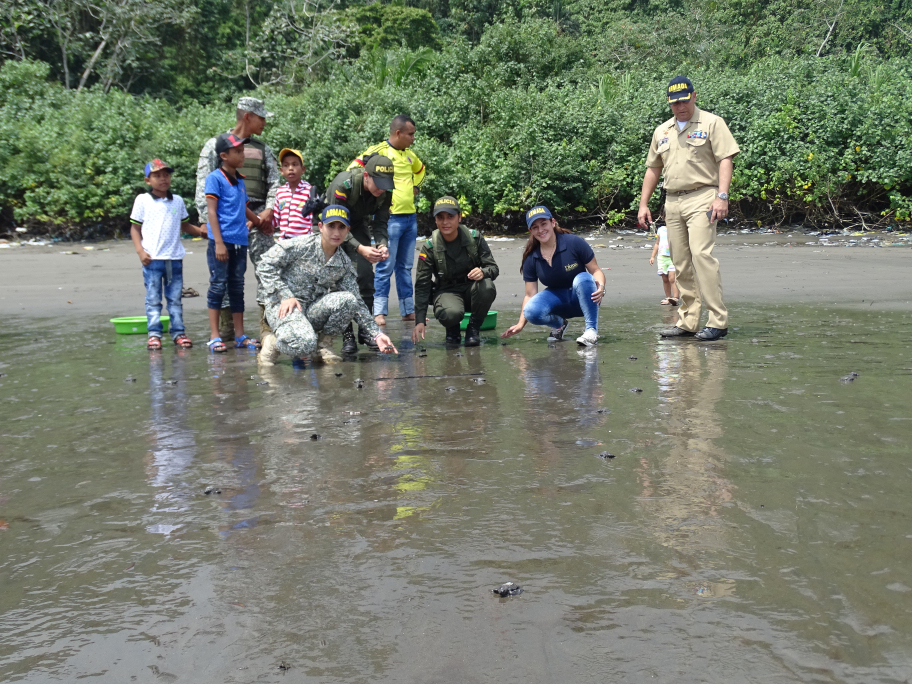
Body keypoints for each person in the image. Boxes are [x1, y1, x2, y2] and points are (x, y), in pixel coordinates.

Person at [637, 76, 740, 341]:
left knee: (701, 255)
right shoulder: (662, 131)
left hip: (703, 196)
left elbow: (725, 159)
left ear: (694, 96)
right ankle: (688, 321)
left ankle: (718, 321)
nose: (680, 106)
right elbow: (653, 168)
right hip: (672, 200)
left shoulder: (711, 123)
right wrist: (643, 204)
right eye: (674, 103)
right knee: (680, 262)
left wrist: (722, 196)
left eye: (684, 100)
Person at [257, 205, 399, 364]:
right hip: (283, 307)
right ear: (320, 227)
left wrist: (377, 334)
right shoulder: (302, 245)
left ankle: (323, 346)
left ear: (348, 231)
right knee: (305, 345)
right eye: (331, 226)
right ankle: (272, 344)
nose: (336, 233)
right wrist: (285, 295)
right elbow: (265, 265)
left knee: (349, 300)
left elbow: (358, 303)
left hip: (310, 310)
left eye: (341, 227)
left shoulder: (343, 263)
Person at [195, 96, 281, 342]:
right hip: (226, 222)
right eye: (261, 117)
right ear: (247, 116)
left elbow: (275, 182)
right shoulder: (216, 145)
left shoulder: (264, 149)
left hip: (259, 219)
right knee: (223, 278)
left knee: (267, 273)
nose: (264, 122)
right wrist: (205, 222)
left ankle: (267, 327)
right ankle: (226, 331)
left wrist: (267, 211)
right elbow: (204, 184)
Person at [349, 114, 426, 325]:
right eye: (410, 134)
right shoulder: (378, 151)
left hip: (410, 217)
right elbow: (353, 169)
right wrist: (367, 195)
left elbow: (421, 170)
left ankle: (407, 310)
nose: (413, 138)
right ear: (398, 133)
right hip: (389, 219)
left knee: (405, 267)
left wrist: (415, 187)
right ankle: (379, 312)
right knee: (385, 265)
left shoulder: (410, 155)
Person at [500, 206, 606, 347]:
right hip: (557, 303)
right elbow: (529, 295)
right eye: (535, 227)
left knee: (583, 278)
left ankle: (591, 331)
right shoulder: (531, 257)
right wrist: (520, 324)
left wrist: (601, 287)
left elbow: (596, 271)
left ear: (553, 222)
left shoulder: (574, 243)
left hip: (584, 299)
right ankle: (559, 325)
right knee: (531, 311)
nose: (541, 230)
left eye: (544, 224)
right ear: (530, 231)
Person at [324, 154, 395, 354]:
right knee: (340, 278)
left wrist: (381, 245)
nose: (382, 188)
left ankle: (365, 330)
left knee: (364, 275)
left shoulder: (385, 191)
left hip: (356, 224)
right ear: (366, 176)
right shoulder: (343, 185)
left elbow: (381, 222)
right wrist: (359, 247)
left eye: (385, 184)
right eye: (378, 183)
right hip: (333, 226)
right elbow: (335, 225)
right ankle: (347, 335)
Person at [130, 159, 203, 350]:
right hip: (152, 258)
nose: (163, 179)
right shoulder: (142, 200)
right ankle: (154, 334)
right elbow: (135, 228)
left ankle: (179, 333)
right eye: (157, 176)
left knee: (175, 298)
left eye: (166, 175)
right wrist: (140, 251)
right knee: (153, 298)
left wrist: (204, 232)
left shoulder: (177, 200)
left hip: (174, 258)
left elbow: (185, 226)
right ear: (148, 180)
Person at [411, 196, 499, 347]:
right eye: (440, 217)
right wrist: (420, 320)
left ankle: (473, 329)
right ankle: (452, 330)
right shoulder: (429, 247)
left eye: (450, 217)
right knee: (451, 314)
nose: (445, 222)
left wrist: (483, 272)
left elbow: (493, 268)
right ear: (435, 220)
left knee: (487, 286)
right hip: (446, 291)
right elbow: (422, 285)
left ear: (459, 217)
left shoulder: (475, 238)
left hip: (473, 291)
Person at [203, 132, 263, 353]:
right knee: (218, 285)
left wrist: (258, 221)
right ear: (224, 156)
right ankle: (214, 336)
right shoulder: (215, 178)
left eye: (242, 150)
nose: (242, 154)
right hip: (221, 241)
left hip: (240, 241)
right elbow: (211, 212)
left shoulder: (239, 179)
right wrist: (218, 242)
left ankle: (240, 335)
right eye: (237, 151)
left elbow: (243, 207)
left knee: (237, 287)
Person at [272, 148, 315, 239]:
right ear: (281, 171)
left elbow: (315, 218)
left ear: (303, 169)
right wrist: (259, 221)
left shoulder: (309, 190)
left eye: (294, 164)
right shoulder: (280, 192)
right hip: (284, 242)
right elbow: (275, 219)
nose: (290, 168)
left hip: (304, 241)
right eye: (286, 165)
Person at [649, 224, 679, 305]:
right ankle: (668, 297)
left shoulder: (677, 228)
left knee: (672, 278)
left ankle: (675, 298)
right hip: (662, 257)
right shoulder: (661, 229)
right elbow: (657, 243)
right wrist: (652, 256)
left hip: (673, 257)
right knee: (665, 279)